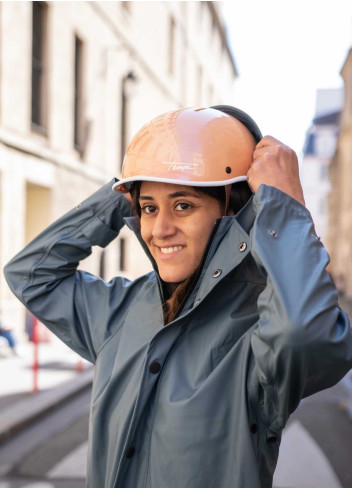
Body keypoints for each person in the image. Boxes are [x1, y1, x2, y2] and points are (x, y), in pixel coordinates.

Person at [4, 106, 352, 488]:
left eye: (183, 205)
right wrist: (125, 193)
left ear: (233, 212)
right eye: (149, 208)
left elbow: (305, 334)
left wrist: (283, 209)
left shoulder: (259, 328)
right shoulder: (121, 310)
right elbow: (32, 275)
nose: (160, 229)